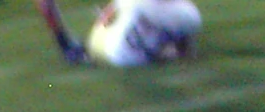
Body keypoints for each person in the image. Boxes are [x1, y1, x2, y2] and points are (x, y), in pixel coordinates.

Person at [39, 0, 203, 67]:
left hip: (107, 47)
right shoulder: (189, 14)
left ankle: (70, 48)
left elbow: (107, 16)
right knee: (183, 26)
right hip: (137, 55)